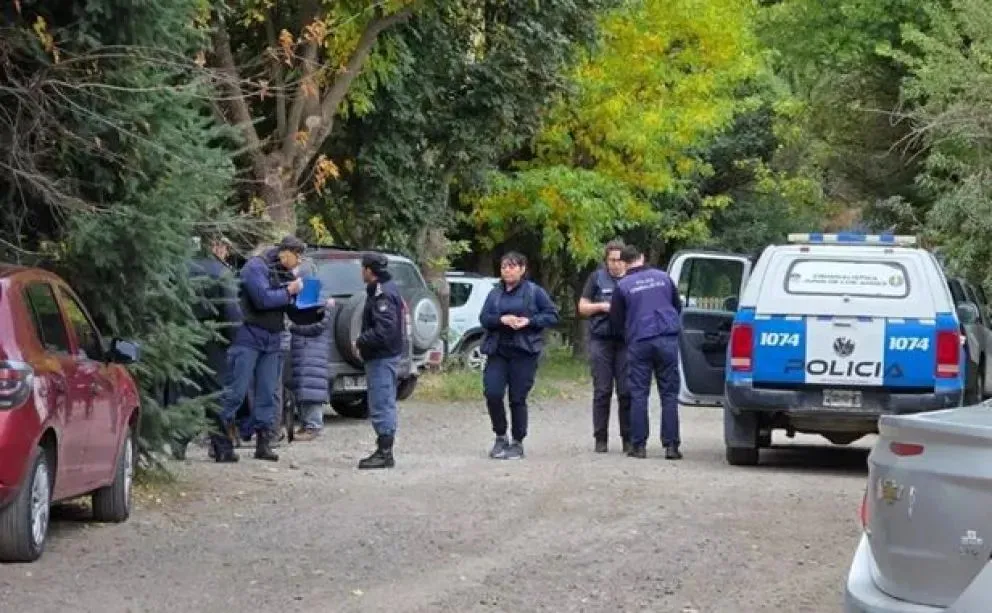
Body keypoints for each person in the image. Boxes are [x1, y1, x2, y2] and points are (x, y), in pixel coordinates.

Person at [209, 235, 305, 463]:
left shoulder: (284, 272)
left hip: (272, 338)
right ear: (285, 252)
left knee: (267, 394)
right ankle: (220, 443)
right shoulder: (255, 267)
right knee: (235, 391)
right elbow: (262, 298)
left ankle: (264, 443)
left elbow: (286, 306)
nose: (299, 261)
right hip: (247, 336)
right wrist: (289, 291)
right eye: (297, 256)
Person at [479, 252, 560, 460]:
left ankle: (517, 441)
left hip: (524, 352)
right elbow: (484, 318)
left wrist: (529, 322)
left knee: (517, 398)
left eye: (512, 266)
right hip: (498, 351)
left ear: (522, 269)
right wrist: (501, 320)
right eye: (504, 266)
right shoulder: (495, 293)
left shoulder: (534, 292)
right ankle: (500, 436)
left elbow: (552, 315)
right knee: (493, 393)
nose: (507, 270)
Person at [609, 244, 683, 460]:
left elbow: (616, 321)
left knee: (639, 393)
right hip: (666, 338)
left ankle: (638, 446)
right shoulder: (664, 278)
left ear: (623, 262)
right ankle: (671, 446)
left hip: (639, 340)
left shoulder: (622, 286)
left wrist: (628, 334)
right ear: (642, 257)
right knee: (669, 394)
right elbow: (677, 306)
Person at [173, 235, 242, 460]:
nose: (226, 252)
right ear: (215, 246)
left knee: (185, 391)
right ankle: (223, 448)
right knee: (216, 394)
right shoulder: (220, 272)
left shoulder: (179, 268)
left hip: (182, 337)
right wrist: (228, 340)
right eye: (224, 247)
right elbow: (232, 313)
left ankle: (178, 443)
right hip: (213, 339)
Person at [578, 239, 631, 454]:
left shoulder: (632, 280)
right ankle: (600, 438)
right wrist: (601, 306)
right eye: (612, 260)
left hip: (626, 342)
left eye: (619, 260)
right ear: (606, 261)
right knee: (602, 391)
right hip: (601, 341)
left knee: (626, 391)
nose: (616, 264)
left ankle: (628, 438)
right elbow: (582, 307)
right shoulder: (597, 278)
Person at [354, 252, 405, 469]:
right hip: (381, 355)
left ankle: (385, 452)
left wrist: (361, 340)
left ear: (369, 270)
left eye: (362, 268)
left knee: (382, 402)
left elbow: (385, 329)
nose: (361, 272)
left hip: (382, 356)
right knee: (382, 401)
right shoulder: (380, 290)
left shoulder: (383, 294)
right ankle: (383, 448)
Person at [287, 257, 334, 441]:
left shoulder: (318, 299)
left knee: (310, 385)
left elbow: (319, 325)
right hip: (304, 347)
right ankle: (307, 423)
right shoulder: (312, 296)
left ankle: (313, 425)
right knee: (303, 384)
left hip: (311, 349)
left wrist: (294, 328)